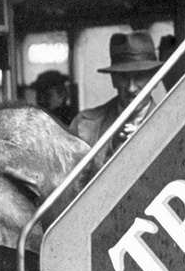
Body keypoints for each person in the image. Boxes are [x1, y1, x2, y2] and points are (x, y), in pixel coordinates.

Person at [68, 31, 163, 171]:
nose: (131, 88)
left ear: (155, 79)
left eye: (139, 76)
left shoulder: (173, 124)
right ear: (113, 79)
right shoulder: (83, 125)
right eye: (124, 77)